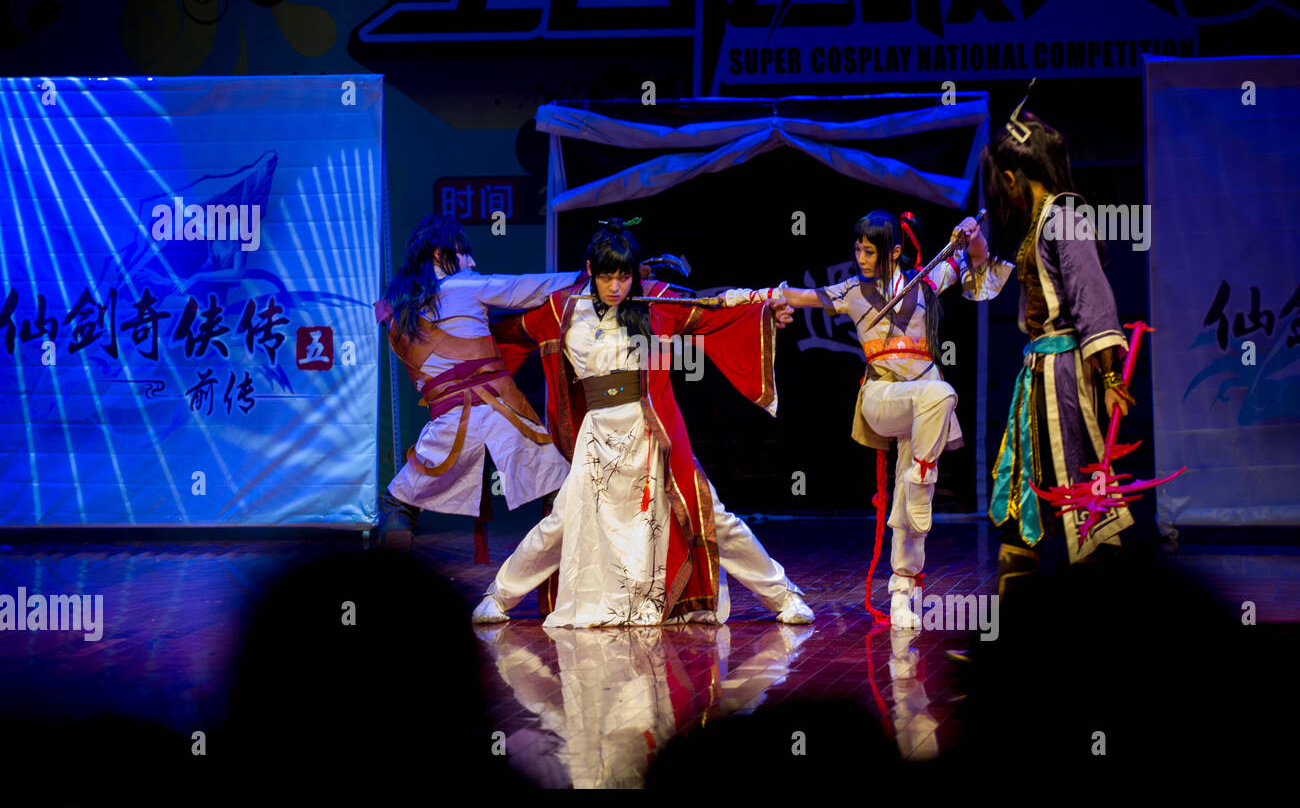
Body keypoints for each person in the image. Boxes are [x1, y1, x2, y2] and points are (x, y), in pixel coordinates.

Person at [472, 218, 814, 627]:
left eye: (623, 276)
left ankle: (783, 595)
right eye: (606, 277)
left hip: (653, 430)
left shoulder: (655, 302)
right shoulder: (561, 309)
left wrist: (765, 310)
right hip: (597, 435)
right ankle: (499, 595)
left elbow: (713, 310)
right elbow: (502, 335)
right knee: (564, 521)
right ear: (589, 271)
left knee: (711, 515)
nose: (616, 287)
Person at [779, 210, 1012, 628]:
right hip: (882, 397)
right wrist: (759, 300)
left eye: (870, 251)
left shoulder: (927, 281)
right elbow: (798, 296)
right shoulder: (852, 290)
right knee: (940, 395)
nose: (861, 258)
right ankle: (923, 478)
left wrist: (974, 236)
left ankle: (904, 587)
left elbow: (980, 266)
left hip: (923, 404)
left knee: (912, 484)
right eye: (858, 249)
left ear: (896, 252)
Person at [976, 93, 1137, 596]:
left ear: (1011, 177)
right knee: (1025, 493)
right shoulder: (1041, 221)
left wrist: (1111, 379)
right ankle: (1011, 627)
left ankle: (1097, 617)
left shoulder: (1064, 215)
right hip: (1039, 378)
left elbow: (1093, 300)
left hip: (1067, 376)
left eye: (1003, 182)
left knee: (1083, 490)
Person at [374, 215, 581, 552]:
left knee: (400, 503)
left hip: (449, 425)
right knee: (560, 486)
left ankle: (392, 576)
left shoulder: (395, 312)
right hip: (503, 412)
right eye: (465, 253)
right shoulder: (466, 285)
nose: (473, 262)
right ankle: (576, 568)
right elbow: (530, 287)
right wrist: (588, 277)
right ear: (441, 255)